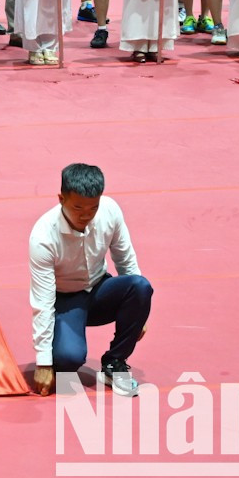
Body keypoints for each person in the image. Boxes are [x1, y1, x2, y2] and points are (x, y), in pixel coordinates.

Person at [28, 163, 151, 397]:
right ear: (61, 198)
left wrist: (139, 313)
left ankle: (114, 363)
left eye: (92, 208)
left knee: (141, 286)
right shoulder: (43, 237)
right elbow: (42, 300)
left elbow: (126, 260)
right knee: (67, 361)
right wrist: (43, 362)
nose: (85, 215)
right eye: (78, 207)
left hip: (99, 290)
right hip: (65, 301)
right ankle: (61, 341)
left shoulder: (110, 211)